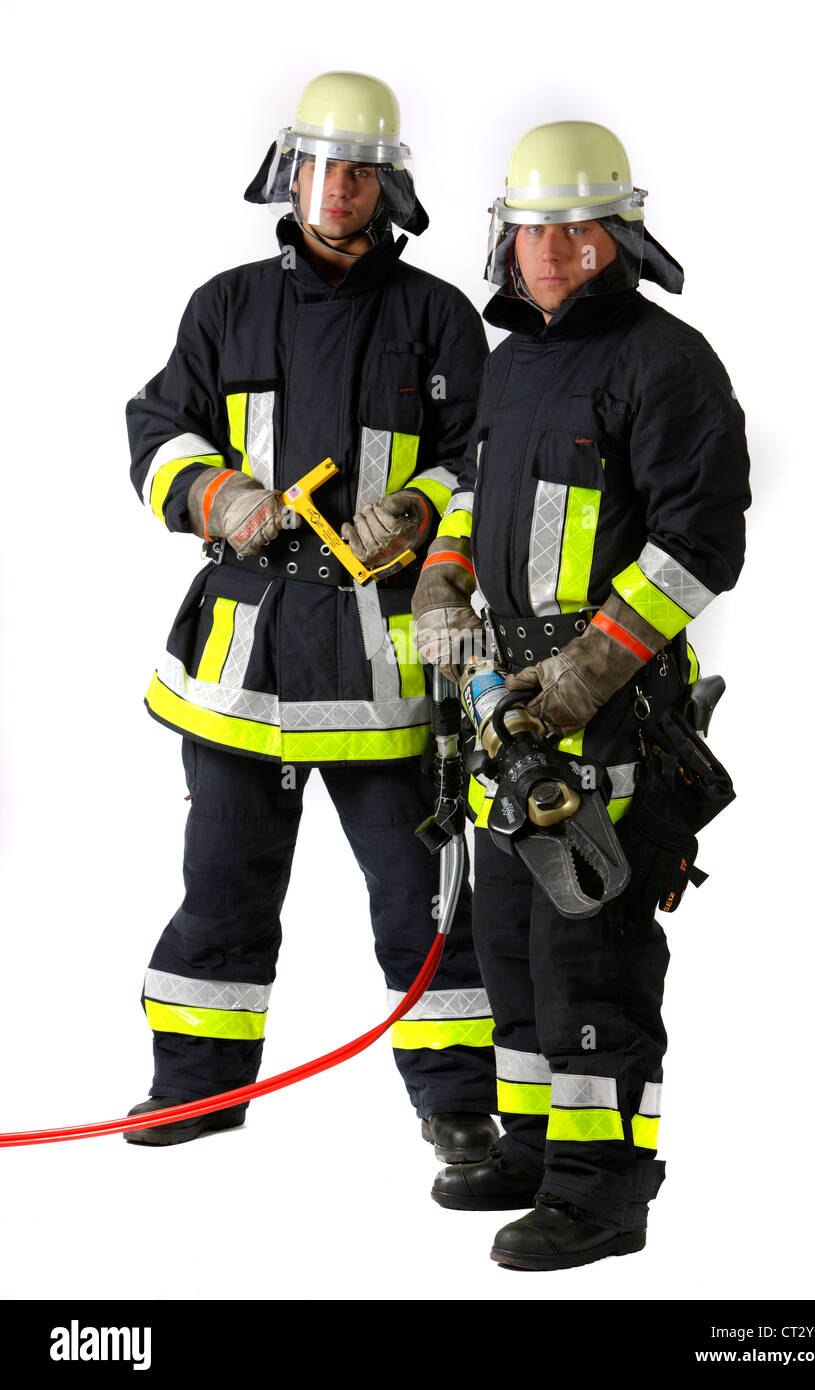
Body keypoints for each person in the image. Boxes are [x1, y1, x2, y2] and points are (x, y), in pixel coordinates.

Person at [124, 71, 498, 1161]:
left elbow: (485, 459)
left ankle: (460, 1106)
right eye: (323, 167)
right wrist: (216, 495)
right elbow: (156, 428)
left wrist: (424, 508)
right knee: (222, 886)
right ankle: (193, 1089)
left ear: (387, 185)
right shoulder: (226, 303)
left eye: (360, 171)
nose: (338, 189)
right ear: (293, 172)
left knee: (422, 903)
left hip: (383, 660)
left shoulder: (435, 317)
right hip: (245, 659)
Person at [412, 121, 751, 1267]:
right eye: (527, 231)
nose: (547, 254)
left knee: (589, 966)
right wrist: (444, 576)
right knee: (509, 953)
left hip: (603, 720)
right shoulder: (510, 364)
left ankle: (603, 1193)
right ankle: (534, 1147)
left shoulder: (666, 363)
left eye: (572, 233)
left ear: (618, 236)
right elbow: (472, 493)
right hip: (503, 713)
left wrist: (581, 673)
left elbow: (696, 549)